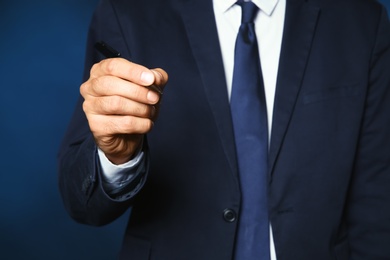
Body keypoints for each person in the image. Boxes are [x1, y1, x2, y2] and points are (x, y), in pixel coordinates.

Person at [58, 0, 390, 259]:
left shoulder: (362, 21)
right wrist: (116, 158)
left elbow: (376, 201)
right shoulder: (127, 13)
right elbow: (82, 204)